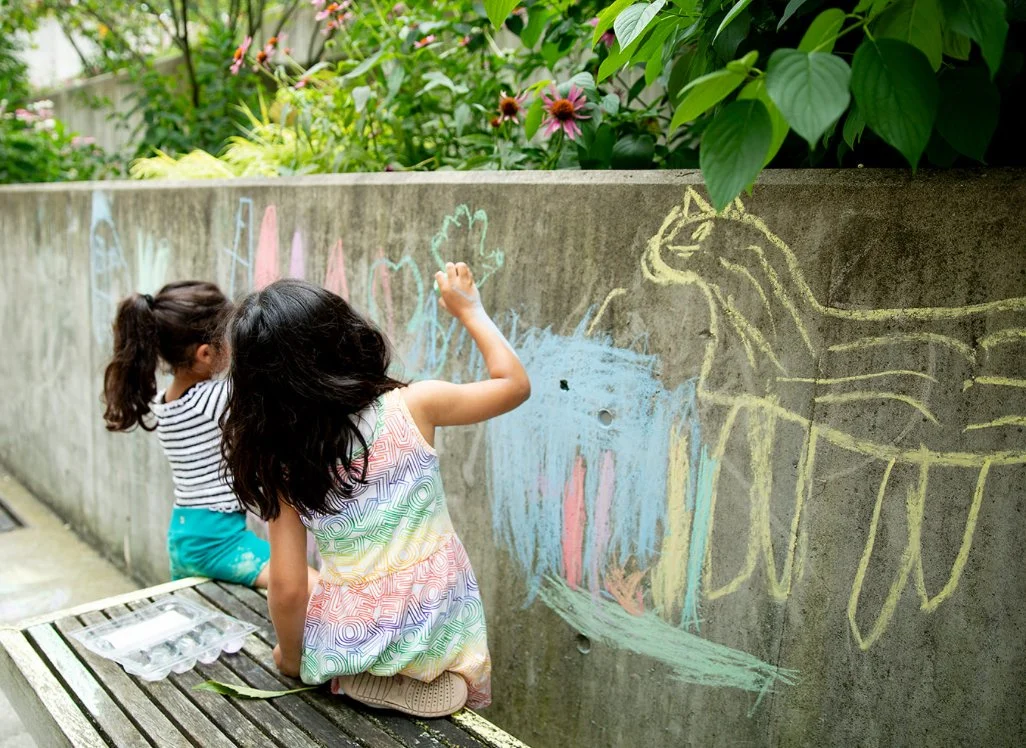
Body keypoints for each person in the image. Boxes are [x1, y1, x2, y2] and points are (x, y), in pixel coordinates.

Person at [220, 263, 530, 717]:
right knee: (432, 605)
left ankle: (357, 667)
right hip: (437, 617)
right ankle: (428, 665)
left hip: (352, 634)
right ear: (345, 337)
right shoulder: (414, 406)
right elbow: (514, 385)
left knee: (330, 597)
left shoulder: (282, 463)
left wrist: (291, 659)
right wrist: (471, 311)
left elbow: (287, 588)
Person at [102, 280, 317, 591]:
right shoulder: (214, 400)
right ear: (205, 354)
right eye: (229, 339)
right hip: (218, 541)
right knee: (314, 588)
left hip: (184, 536)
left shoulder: (163, 403)